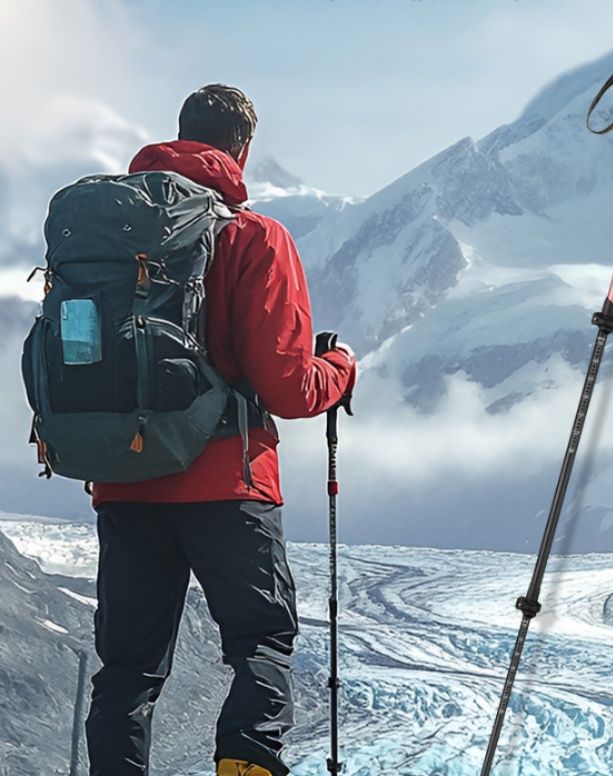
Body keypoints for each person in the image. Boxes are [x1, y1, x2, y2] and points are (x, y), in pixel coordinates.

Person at [84, 84, 356, 776]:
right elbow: (290, 389)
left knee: (128, 670)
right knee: (260, 642)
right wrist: (340, 369)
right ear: (242, 149)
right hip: (227, 483)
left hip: (125, 481)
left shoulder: (106, 243)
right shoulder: (252, 236)